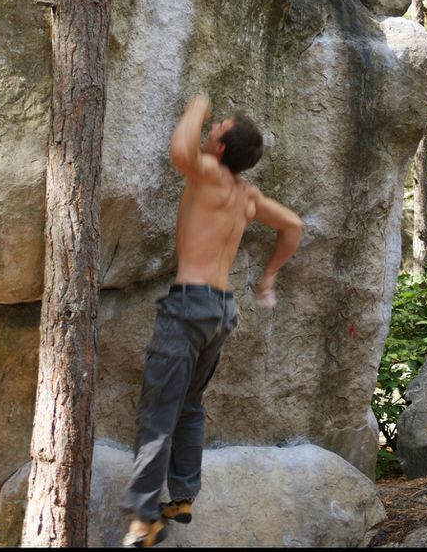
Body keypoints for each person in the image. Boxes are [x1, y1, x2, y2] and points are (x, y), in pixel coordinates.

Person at [121, 94, 304, 548]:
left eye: (217, 128)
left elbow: (181, 150)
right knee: (189, 406)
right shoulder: (246, 195)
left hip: (188, 306)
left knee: (157, 411)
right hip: (221, 310)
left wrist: (198, 104)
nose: (209, 129)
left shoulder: (209, 175)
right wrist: (266, 280)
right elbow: (293, 226)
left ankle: (145, 520)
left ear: (220, 147)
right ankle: (181, 496)